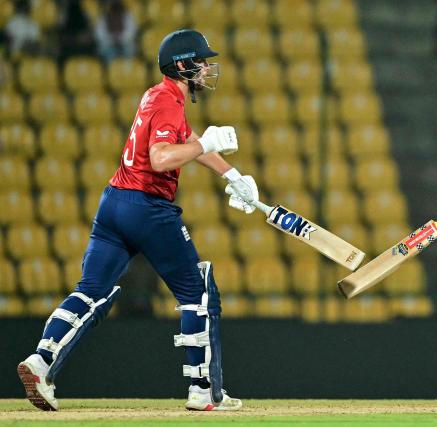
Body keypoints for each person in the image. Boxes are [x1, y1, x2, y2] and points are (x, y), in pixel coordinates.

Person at [17, 29, 259, 412]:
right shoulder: (168, 102)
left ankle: (41, 362)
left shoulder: (156, 94)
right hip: (148, 207)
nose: (207, 67)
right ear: (183, 65)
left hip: (114, 203)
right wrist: (206, 144)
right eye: (202, 60)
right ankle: (203, 391)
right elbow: (162, 158)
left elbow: (186, 138)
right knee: (196, 294)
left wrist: (231, 175)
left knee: (91, 289)